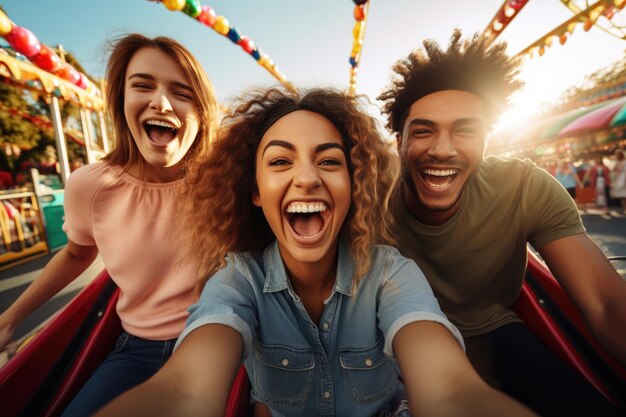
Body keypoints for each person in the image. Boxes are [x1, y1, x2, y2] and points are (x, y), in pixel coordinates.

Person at [95, 87, 537, 417]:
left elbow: (448, 388)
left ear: (354, 185)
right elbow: (187, 387)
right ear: (254, 190)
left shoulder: (389, 273)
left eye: (328, 161)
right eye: (281, 161)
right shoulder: (237, 281)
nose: (306, 178)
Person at [377, 30, 625, 417]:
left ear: (487, 139)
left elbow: (607, 303)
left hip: (496, 334)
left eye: (465, 130)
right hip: (387, 346)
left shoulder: (524, 187)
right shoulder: (367, 197)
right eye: (423, 131)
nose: (443, 149)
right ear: (399, 142)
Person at [0, 33, 218, 416]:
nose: (160, 101)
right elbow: (75, 254)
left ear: (201, 113)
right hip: (140, 350)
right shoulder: (90, 186)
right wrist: (10, 318)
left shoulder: (225, 181)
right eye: (143, 85)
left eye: (182, 93)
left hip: (223, 341)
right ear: (120, 101)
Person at [611, 149, 626, 213]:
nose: (616, 156)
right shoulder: (617, 162)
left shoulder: (625, 162)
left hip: (624, 179)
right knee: (622, 196)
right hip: (619, 180)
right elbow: (613, 169)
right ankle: (625, 209)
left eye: (617, 155)